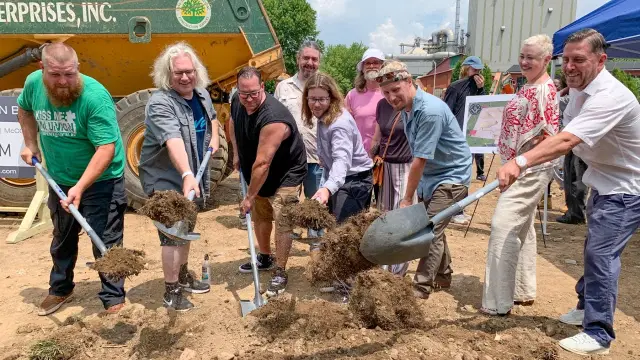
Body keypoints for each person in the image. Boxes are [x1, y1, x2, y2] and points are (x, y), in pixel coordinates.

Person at [497, 29, 640, 356]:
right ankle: (585, 307)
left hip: (627, 189)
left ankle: (599, 333)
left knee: (601, 255)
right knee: (594, 247)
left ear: (601, 60)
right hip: (604, 182)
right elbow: (561, 131)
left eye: (579, 60)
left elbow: (567, 141)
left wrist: (519, 162)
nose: (570, 67)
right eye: (567, 60)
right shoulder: (579, 89)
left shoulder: (609, 97)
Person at [17, 42, 127, 315]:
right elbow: (25, 110)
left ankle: (113, 297)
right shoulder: (33, 84)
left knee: (105, 238)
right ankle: (60, 288)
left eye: (70, 73)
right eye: (56, 75)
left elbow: (106, 149)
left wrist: (79, 187)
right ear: (42, 69)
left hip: (102, 180)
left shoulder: (94, 97)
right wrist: (30, 143)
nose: (64, 81)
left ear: (77, 67)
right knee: (63, 236)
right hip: (59, 177)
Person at [480, 34, 560, 317]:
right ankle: (522, 289)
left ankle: (497, 301)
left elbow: (546, 138)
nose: (524, 62)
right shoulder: (528, 86)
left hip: (528, 168)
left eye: (532, 58)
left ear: (546, 60)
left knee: (503, 225)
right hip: (514, 163)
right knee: (522, 226)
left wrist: (519, 163)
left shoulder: (545, 91)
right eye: (523, 56)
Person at [378, 60, 472, 299]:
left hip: (451, 176)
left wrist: (406, 198)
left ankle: (420, 288)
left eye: (395, 90)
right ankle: (443, 274)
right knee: (436, 223)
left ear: (409, 82)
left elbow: (419, 159)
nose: (391, 97)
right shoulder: (408, 109)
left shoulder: (429, 111)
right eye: (386, 93)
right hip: (432, 176)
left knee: (430, 229)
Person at [139, 41, 219, 311]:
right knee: (172, 235)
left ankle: (183, 276)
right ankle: (171, 290)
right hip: (166, 181)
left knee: (185, 231)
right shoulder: (160, 103)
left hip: (192, 178)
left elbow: (213, 117)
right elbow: (173, 140)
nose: (185, 77)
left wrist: (215, 137)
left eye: (189, 71)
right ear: (167, 75)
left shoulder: (202, 95)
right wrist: (186, 173)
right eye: (178, 73)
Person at [229, 66, 307, 297]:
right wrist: (236, 153)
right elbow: (232, 122)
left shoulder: (273, 117)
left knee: (282, 218)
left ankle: (280, 271)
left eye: (254, 93)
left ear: (263, 87)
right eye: (244, 94)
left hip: (285, 172)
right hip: (257, 171)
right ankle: (264, 257)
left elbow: (263, 163)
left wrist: (249, 197)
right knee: (261, 216)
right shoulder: (237, 100)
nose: (249, 99)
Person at [302, 72, 373, 223]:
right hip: (339, 178)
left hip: (355, 181)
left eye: (322, 99)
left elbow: (342, 160)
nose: (316, 104)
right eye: (312, 99)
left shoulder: (340, 124)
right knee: (336, 226)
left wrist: (327, 188)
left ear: (332, 98)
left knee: (344, 233)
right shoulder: (324, 117)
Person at [274, 40, 323, 238]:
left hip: (316, 157)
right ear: (298, 59)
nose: (309, 62)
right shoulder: (283, 87)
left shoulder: (325, 86)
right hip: (288, 159)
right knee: (287, 201)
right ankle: (288, 235)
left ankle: (316, 239)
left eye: (314, 59)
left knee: (316, 202)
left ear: (319, 62)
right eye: (306, 58)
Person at [369, 97, 415, 276]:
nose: (390, 93)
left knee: (402, 219)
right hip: (385, 167)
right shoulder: (381, 104)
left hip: (407, 167)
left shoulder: (412, 104)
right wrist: (371, 159)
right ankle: (386, 265)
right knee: (385, 217)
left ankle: (397, 273)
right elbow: (377, 137)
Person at [443, 55, 486, 225]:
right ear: (466, 68)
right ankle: (454, 210)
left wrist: (482, 90)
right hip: (457, 137)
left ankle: (459, 208)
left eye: (479, 70)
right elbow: (447, 112)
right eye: (474, 69)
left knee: (466, 174)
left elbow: (483, 108)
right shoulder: (455, 87)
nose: (477, 73)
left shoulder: (478, 87)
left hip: (471, 135)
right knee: (456, 174)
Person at [345, 48, 386, 203]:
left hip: (384, 158)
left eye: (376, 62)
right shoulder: (352, 95)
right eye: (367, 63)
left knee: (383, 204)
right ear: (362, 68)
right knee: (360, 203)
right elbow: (345, 127)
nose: (371, 66)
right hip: (359, 159)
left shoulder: (389, 92)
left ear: (382, 66)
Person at [555, 76, 588, 224]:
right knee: (570, 177)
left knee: (577, 179)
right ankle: (573, 211)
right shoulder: (573, 93)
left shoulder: (581, 94)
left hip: (578, 141)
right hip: (571, 139)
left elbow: (555, 100)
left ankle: (576, 214)